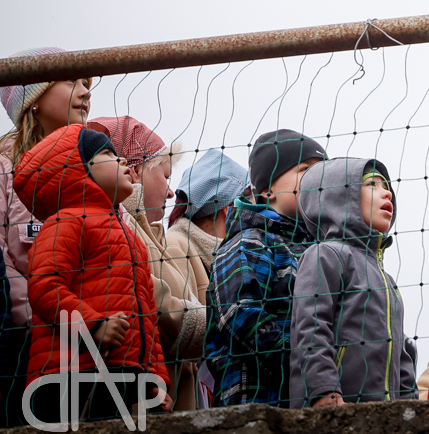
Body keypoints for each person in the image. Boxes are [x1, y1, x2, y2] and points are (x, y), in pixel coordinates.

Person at [15, 125, 170, 424]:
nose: (123, 160)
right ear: (79, 168)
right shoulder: (66, 222)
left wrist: (155, 377)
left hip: (120, 371)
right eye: (109, 154)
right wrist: (93, 325)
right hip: (68, 375)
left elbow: (147, 314)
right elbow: (45, 288)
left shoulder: (131, 237)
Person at [88, 116, 206, 410]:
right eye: (165, 176)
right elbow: (152, 301)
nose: (171, 191)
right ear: (135, 170)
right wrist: (219, 326)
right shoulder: (120, 230)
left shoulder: (155, 237)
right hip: (141, 402)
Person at [0, 50, 91, 425]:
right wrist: (44, 318)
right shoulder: (4, 170)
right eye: (72, 81)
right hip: (25, 348)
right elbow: (3, 259)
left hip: (93, 342)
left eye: (88, 83)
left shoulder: (94, 171)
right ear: (32, 100)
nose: (86, 91)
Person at [205, 128, 327, 406]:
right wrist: (307, 368)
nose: (318, 179)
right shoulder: (250, 240)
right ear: (267, 190)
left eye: (323, 172)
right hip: (258, 402)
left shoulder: (320, 250)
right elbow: (238, 315)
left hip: (314, 399)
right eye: (305, 170)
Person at [289, 158, 416, 406]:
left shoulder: (387, 280)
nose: (387, 193)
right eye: (372, 184)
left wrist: (410, 408)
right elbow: (311, 327)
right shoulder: (324, 255)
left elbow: (402, 357)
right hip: (334, 410)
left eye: (386, 186)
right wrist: (324, 390)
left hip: (386, 418)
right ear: (338, 197)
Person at [167, 148, 249, 407]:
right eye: (247, 200)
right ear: (229, 209)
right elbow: (177, 331)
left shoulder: (224, 257)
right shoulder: (175, 246)